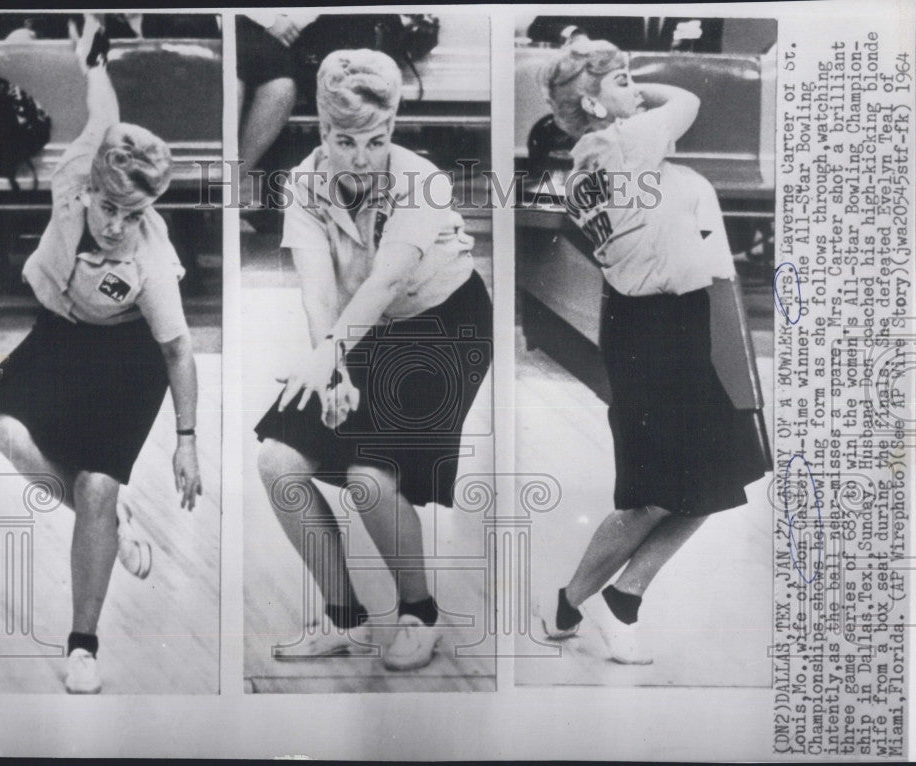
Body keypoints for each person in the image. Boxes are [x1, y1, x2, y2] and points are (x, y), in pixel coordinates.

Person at [0, 16, 203, 693]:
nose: (118, 225)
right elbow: (105, 110)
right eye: (110, 208)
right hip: (62, 332)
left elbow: (181, 351)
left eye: (135, 214)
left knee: (97, 484)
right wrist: (88, 57)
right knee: (8, 436)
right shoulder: (75, 172)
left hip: (130, 354)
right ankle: (107, 519)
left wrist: (187, 441)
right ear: (91, 183)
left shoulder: (151, 261)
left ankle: (83, 645)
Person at [254, 49, 492, 672]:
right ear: (319, 130)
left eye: (376, 140)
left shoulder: (422, 180)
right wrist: (329, 366)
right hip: (362, 330)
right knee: (278, 461)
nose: (361, 157)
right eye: (344, 140)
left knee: (367, 479)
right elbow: (316, 287)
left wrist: (333, 354)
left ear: (392, 127)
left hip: (445, 327)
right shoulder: (303, 183)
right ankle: (346, 621)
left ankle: (420, 614)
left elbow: (385, 281)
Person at [536, 37, 766, 663]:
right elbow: (687, 98)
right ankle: (593, 602)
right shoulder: (620, 143)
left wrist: (614, 93)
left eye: (634, 78)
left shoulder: (597, 152)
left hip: (679, 319)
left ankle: (602, 601)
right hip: (655, 329)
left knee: (718, 478)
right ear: (592, 100)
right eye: (622, 80)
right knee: (658, 493)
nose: (637, 89)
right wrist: (628, 99)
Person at [236, 12, 318, 206]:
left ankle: (228, 183)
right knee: (231, 83)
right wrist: (269, 20)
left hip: (296, 33)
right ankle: (220, 187)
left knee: (281, 87)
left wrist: (291, 22)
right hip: (241, 23)